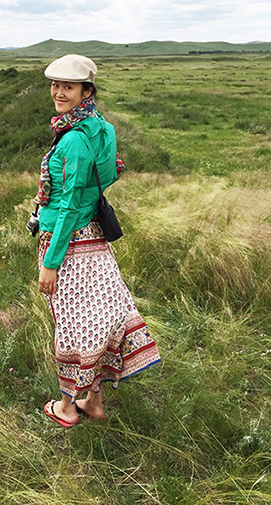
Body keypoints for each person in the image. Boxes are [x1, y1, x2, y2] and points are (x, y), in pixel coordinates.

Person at [34, 54, 161, 428]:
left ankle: (66, 407)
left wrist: (51, 262)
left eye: (68, 87)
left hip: (67, 241)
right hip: (94, 236)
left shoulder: (74, 138)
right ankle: (94, 401)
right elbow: (108, 174)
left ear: (86, 91)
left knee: (72, 321)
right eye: (55, 85)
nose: (59, 93)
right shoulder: (101, 128)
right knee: (98, 313)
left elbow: (69, 203)